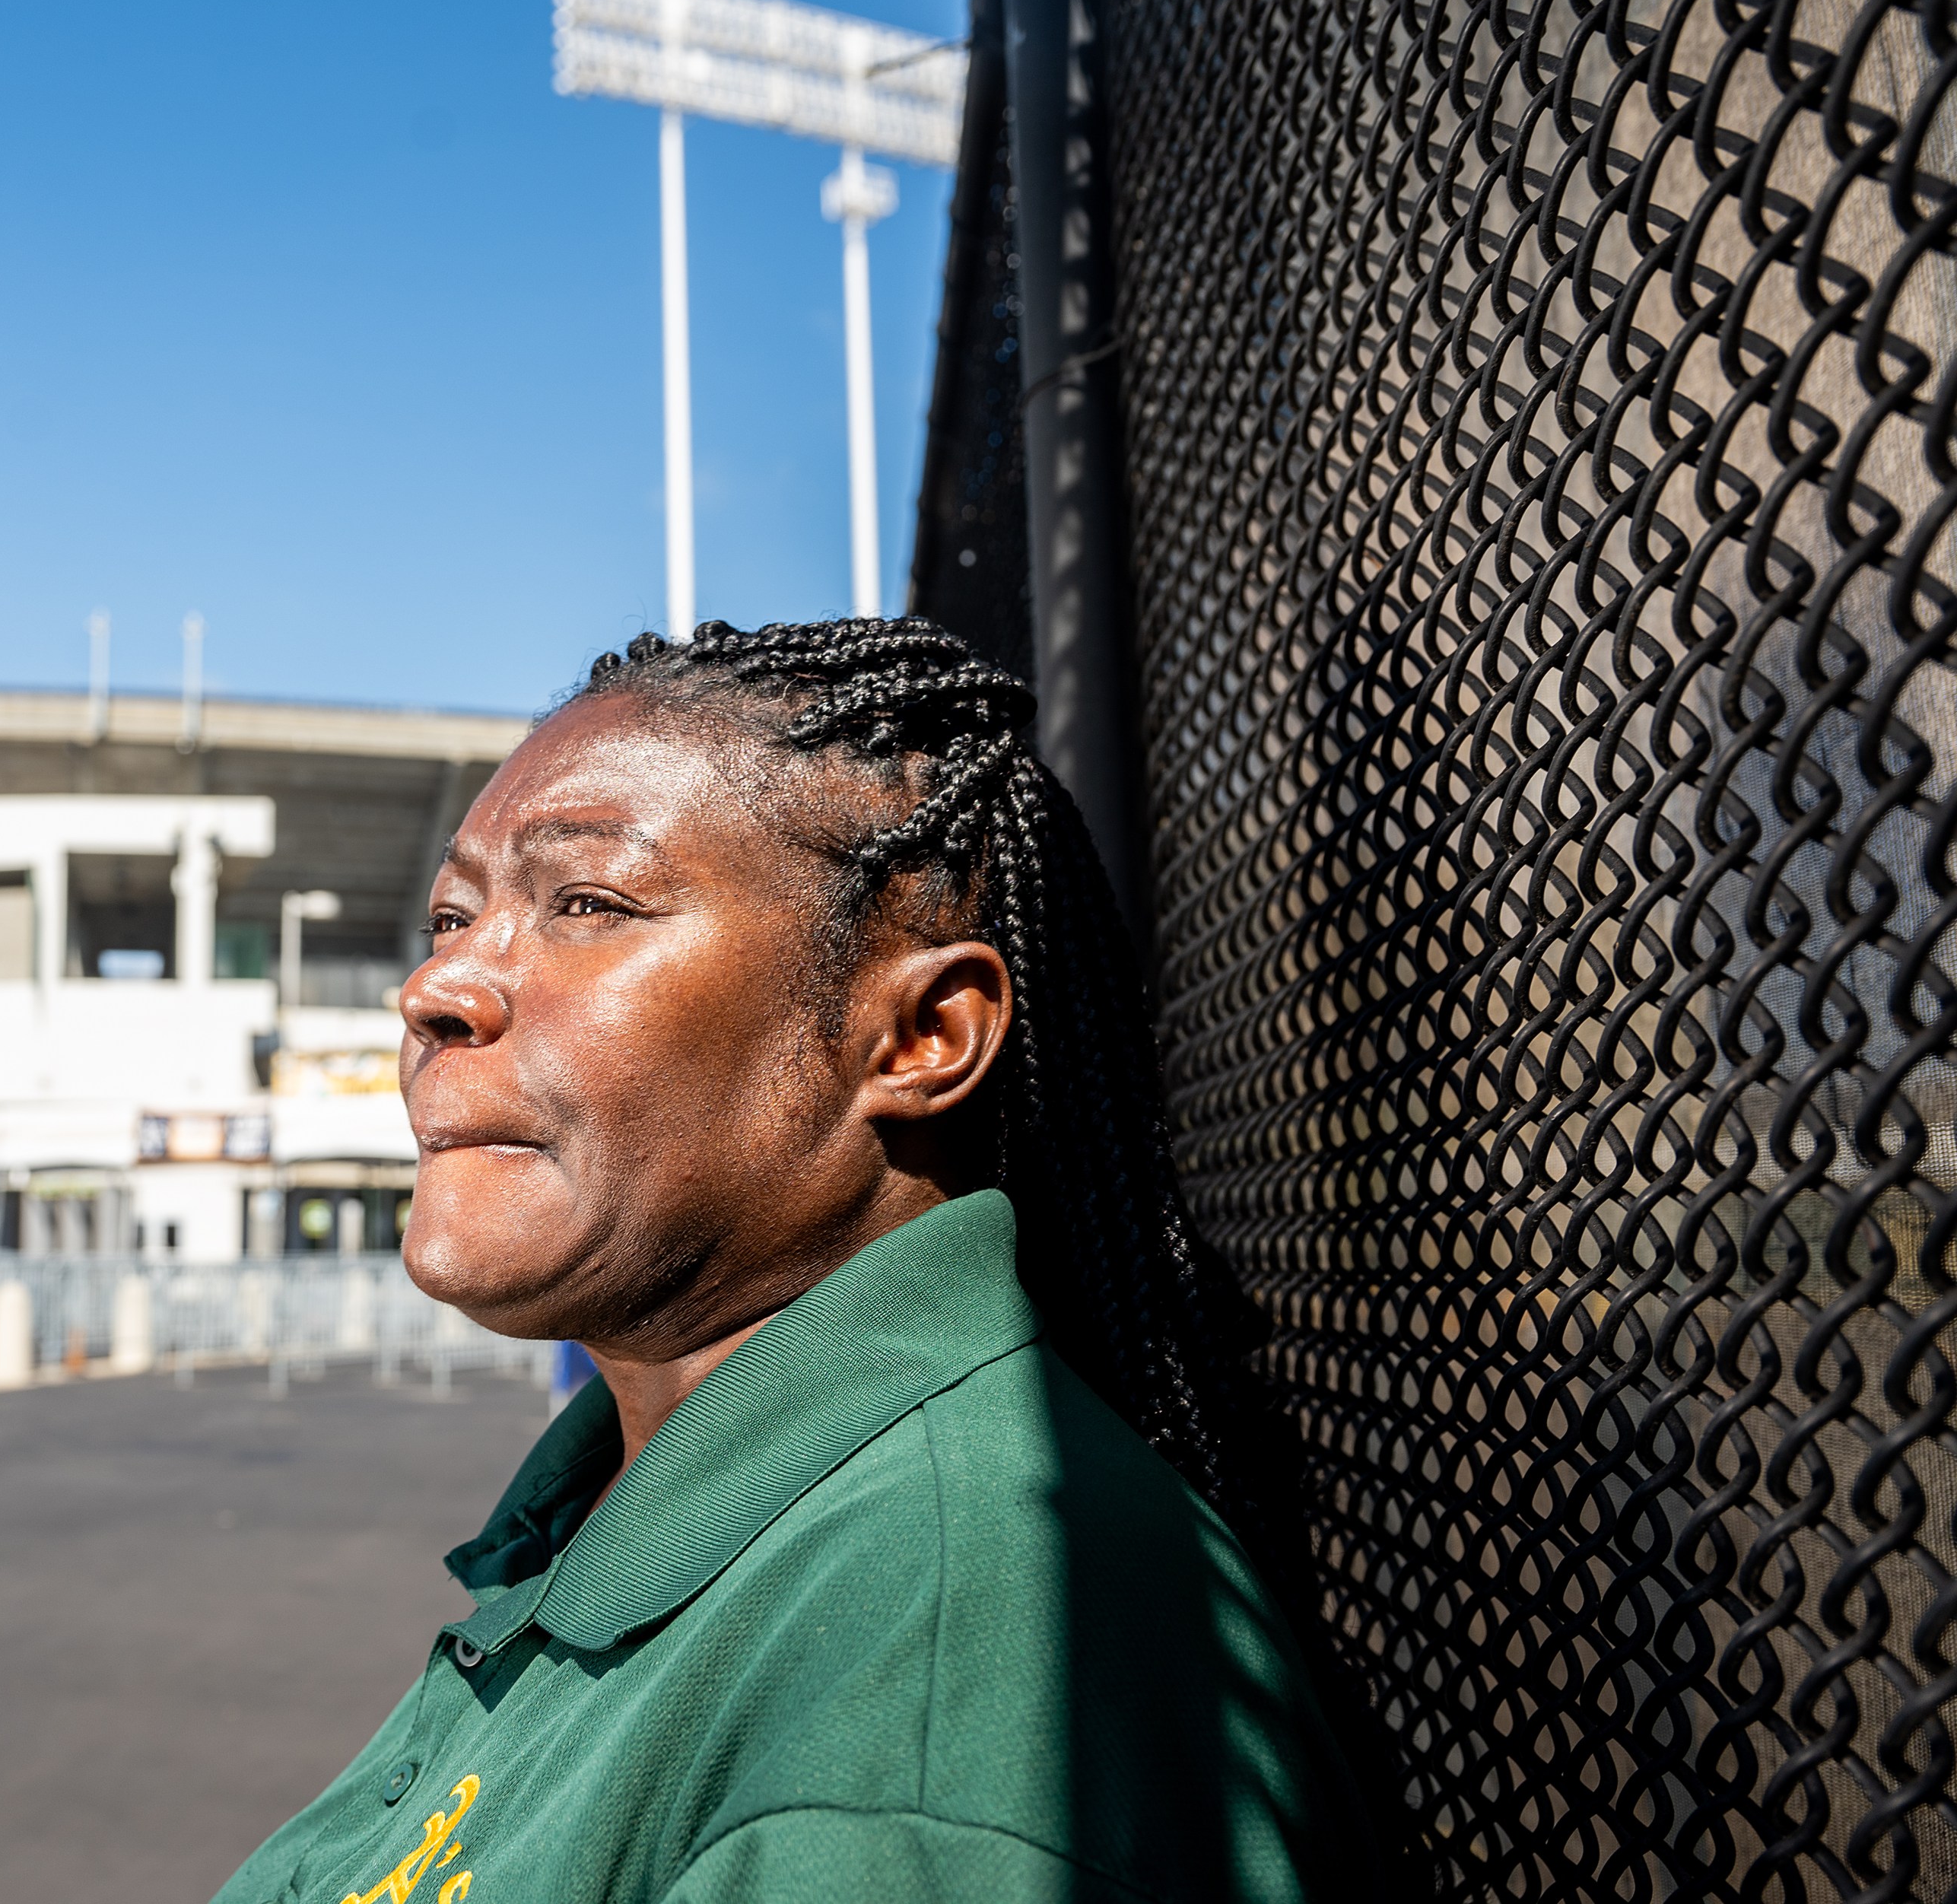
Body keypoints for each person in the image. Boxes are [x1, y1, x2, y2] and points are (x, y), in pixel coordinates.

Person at [211, 618, 1378, 1903]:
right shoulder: (653, 1505)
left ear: (920, 1037)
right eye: (452, 914)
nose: (436, 988)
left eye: (587, 903)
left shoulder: (933, 1696)